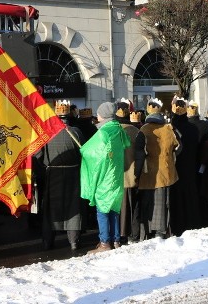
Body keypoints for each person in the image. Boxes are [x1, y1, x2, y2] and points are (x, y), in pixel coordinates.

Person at [32, 107, 85, 251]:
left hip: (53, 175)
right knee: (72, 207)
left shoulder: (47, 133)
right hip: (73, 175)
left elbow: (37, 155)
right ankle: (73, 241)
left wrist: (45, 168)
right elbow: (84, 153)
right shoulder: (76, 132)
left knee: (50, 210)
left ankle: (48, 242)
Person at [81, 102, 131, 253]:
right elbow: (125, 145)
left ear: (103, 115)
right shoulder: (118, 129)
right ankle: (115, 241)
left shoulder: (103, 132)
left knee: (102, 210)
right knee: (114, 209)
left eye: (99, 113)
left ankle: (104, 243)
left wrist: (83, 151)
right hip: (116, 176)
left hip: (105, 177)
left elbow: (90, 152)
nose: (97, 116)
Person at [134, 98, 181, 240]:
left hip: (148, 173)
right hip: (167, 172)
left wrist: (137, 172)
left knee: (149, 203)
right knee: (164, 203)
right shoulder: (169, 128)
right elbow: (179, 147)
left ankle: (149, 231)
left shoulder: (143, 130)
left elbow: (139, 152)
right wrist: (169, 157)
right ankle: (162, 230)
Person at [169, 97, 201, 236]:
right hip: (191, 165)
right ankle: (193, 222)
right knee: (190, 195)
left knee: (177, 197)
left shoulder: (171, 128)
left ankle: (178, 224)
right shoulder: (193, 128)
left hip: (176, 165)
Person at [116, 99, 141, 244]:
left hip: (116, 176)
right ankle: (133, 235)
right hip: (132, 176)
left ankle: (119, 235)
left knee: (118, 209)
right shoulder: (136, 131)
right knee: (133, 207)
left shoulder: (113, 132)